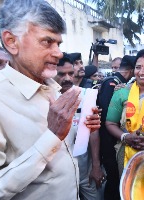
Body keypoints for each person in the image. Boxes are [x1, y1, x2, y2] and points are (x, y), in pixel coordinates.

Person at [0, 1, 101, 200]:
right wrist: (51, 137)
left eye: (58, 43)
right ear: (11, 41)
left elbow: (60, 160)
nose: (59, 53)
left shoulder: (52, 89)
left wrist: (83, 129)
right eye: (47, 42)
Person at [54, 55, 105, 200]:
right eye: (61, 74)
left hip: (85, 169)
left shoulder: (85, 96)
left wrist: (95, 166)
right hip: (60, 174)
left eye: (70, 73)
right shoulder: (45, 98)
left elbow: (93, 132)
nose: (68, 78)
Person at [97, 55, 136, 200]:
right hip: (110, 141)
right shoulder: (113, 84)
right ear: (132, 70)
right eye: (138, 68)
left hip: (117, 140)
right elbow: (108, 118)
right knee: (115, 182)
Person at [106, 50, 144, 188]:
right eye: (138, 67)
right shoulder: (122, 93)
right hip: (127, 152)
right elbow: (110, 123)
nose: (141, 72)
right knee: (129, 191)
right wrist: (125, 136)